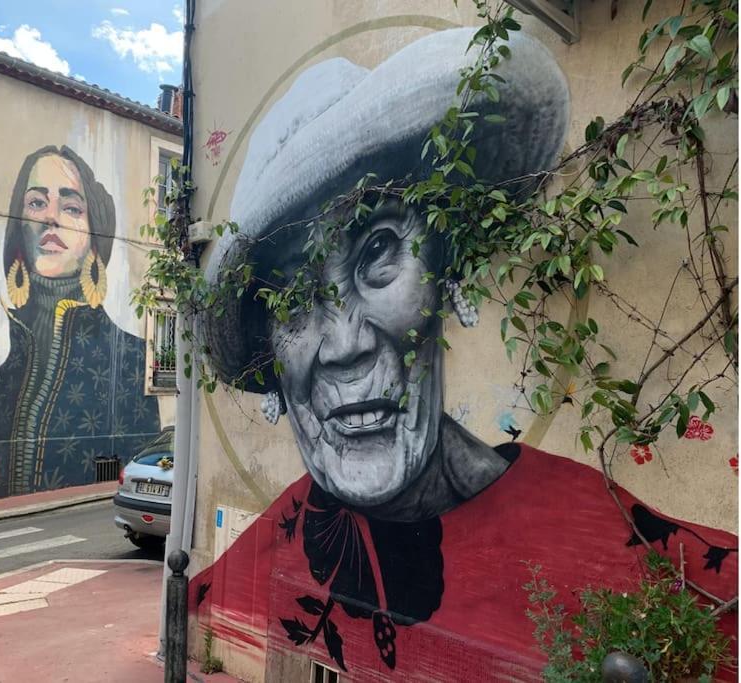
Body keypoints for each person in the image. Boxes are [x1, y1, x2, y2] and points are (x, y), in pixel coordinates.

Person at [192, 29, 738, 679]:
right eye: (292, 298)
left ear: (446, 274)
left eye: (377, 253)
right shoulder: (246, 568)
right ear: (271, 363)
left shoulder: (664, 569)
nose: (344, 344)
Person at [0, 145, 161, 499]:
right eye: (37, 203)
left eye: (71, 207)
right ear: (19, 225)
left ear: (95, 236)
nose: (51, 218)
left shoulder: (134, 361)